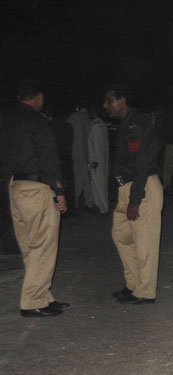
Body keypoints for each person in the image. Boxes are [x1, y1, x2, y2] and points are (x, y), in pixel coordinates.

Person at [0, 82, 69, 317]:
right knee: (43, 245)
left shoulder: (7, 121)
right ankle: (32, 301)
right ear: (38, 97)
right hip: (36, 187)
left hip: (15, 187)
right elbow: (49, 157)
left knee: (30, 247)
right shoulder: (37, 121)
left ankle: (44, 295)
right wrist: (59, 191)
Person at [104, 85, 163, 305]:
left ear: (121, 100)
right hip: (128, 187)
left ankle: (146, 291)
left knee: (145, 242)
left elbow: (141, 162)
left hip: (142, 185)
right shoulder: (127, 123)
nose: (105, 105)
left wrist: (135, 198)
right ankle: (134, 284)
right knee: (121, 235)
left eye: (108, 101)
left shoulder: (137, 123)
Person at [85, 108, 110, 213]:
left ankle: (102, 207)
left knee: (98, 184)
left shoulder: (95, 127)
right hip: (102, 159)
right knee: (101, 183)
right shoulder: (102, 125)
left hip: (96, 161)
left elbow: (96, 146)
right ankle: (100, 206)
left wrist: (94, 161)